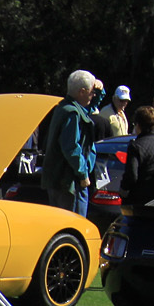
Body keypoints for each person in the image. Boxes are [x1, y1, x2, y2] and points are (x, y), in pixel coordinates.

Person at [40, 70, 102, 214]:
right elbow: (71, 147)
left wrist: (99, 91)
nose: (93, 95)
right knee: (74, 225)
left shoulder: (65, 107)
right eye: (92, 92)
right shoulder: (72, 114)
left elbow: (90, 106)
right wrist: (83, 174)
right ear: (82, 92)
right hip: (69, 182)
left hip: (60, 181)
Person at [119, 106, 154, 209]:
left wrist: (123, 190)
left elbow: (132, 176)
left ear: (138, 125)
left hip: (139, 201)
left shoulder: (136, 146)